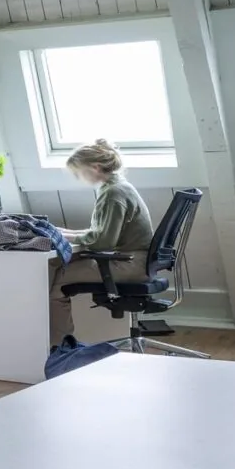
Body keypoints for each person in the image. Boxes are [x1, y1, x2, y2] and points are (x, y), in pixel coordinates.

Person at [50, 139, 154, 341]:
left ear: (95, 167)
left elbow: (102, 242)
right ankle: (63, 342)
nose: (78, 177)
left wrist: (65, 235)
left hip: (130, 264)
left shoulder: (113, 194)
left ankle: (61, 345)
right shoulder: (119, 186)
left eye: (79, 172)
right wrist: (65, 233)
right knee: (61, 264)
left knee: (56, 280)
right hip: (137, 260)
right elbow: (102, 233)